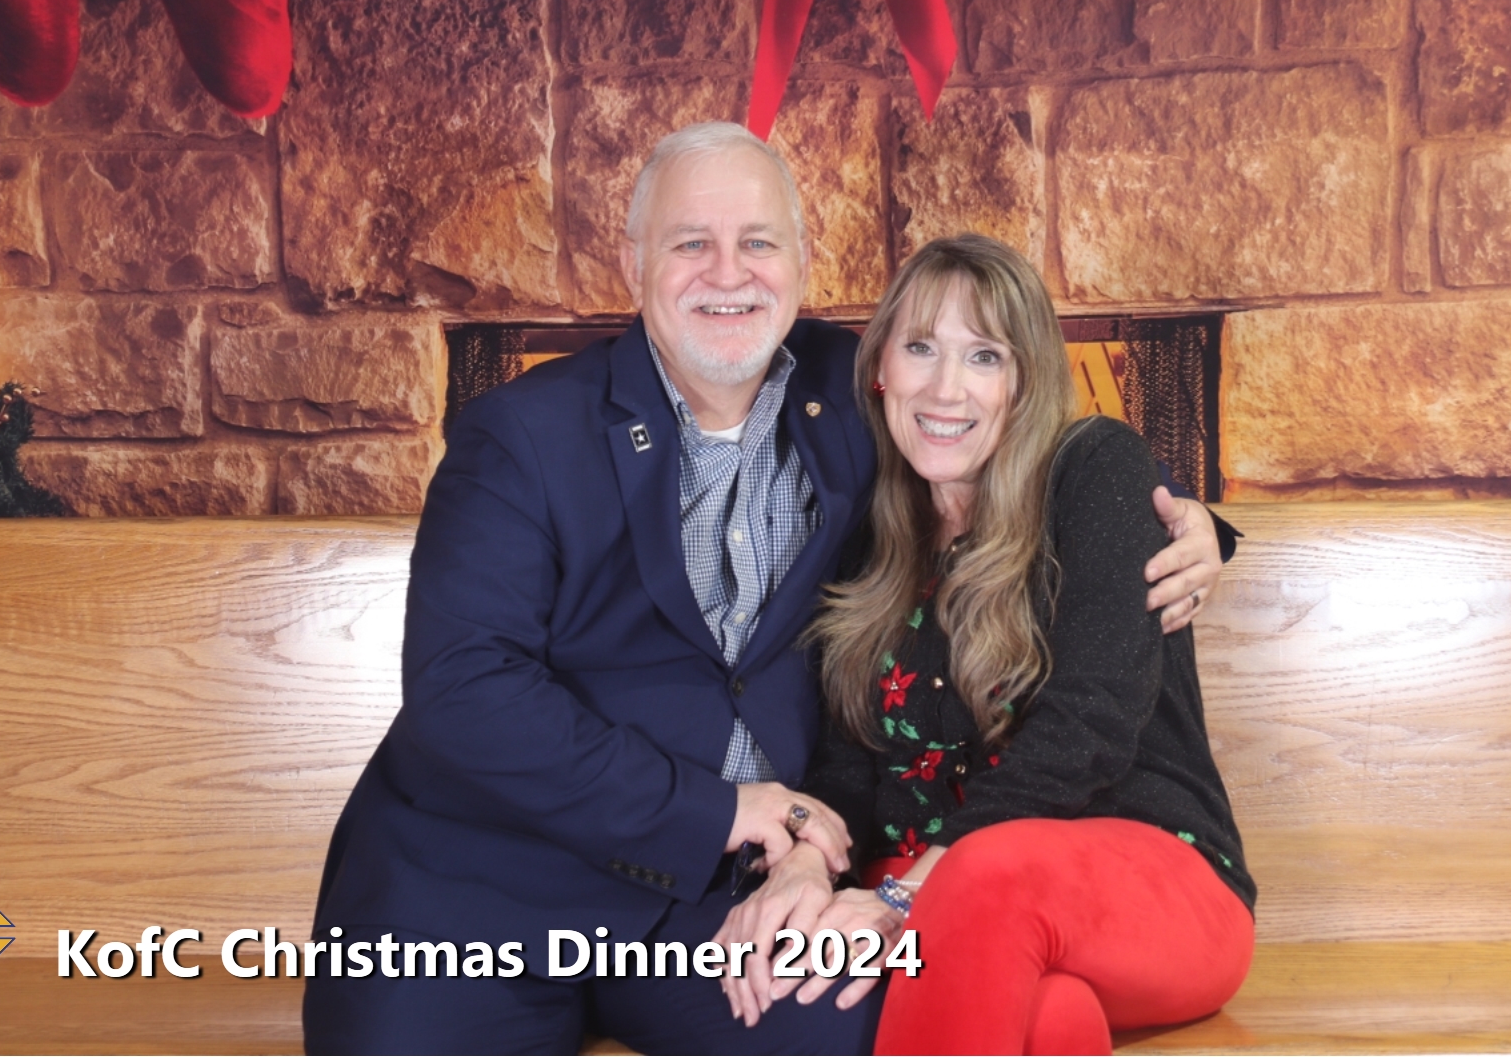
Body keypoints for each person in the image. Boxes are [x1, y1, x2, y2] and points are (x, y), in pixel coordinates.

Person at [303, 124, 1232, 1054]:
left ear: (800, 262)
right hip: (484, 887)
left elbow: (1030, 456)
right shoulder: (519, 434)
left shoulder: (859, 391)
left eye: (757, 242)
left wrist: (1190, 524)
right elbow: (465, 691)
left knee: (901, 1016)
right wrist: (723, 811)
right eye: (690, 243)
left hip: (720, 902)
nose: (728, 274)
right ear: (633, 265)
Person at [715, 234, 1254, 1055]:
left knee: (983, 879)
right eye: (920, 348)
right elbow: (846, 769)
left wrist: (909, 900)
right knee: (1045, 1021)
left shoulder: (1093, 469)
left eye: (984, 357)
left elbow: (1090, 722)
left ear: (1024, 381)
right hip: (930, 890)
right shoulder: (868, 537)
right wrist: (809, 868)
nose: (945, 388)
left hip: (1141, 881)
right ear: (880, 369)